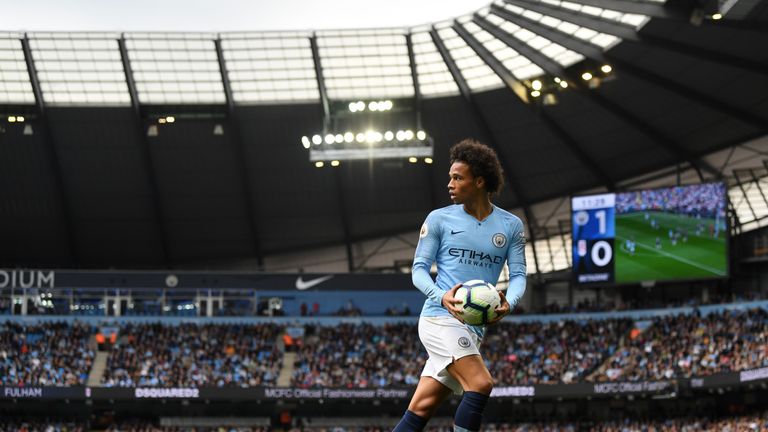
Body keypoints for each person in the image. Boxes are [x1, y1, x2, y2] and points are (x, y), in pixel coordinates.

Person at [393, 139, 527, 432]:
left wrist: (510, 301)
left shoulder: (511, 225)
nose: (450, 184)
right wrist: (441, 297)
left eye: (458, 177)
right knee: (480, 384)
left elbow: (518, 275)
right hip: (439, 318)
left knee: (421, 408)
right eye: (450, 177)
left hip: (474, 326)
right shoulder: (439, 219)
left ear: (479, 181)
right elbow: (418, 271)